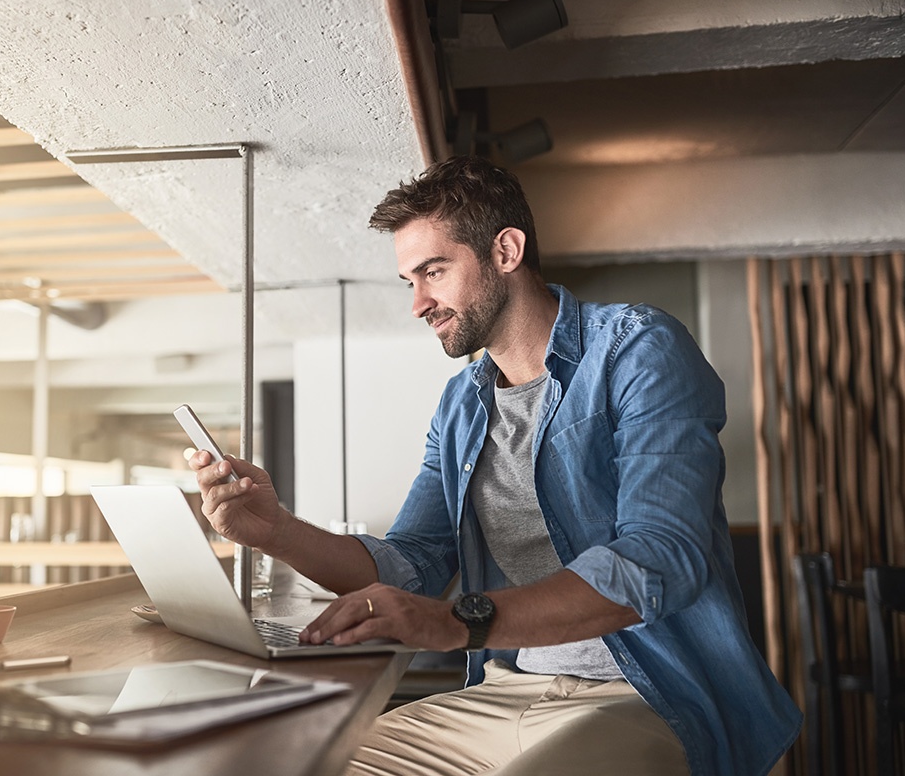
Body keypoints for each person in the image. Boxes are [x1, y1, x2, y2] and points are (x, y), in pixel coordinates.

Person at [190, 156, 801, 776]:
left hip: (647, 694)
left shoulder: (638, 349)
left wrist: (457, 621)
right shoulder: (462, 404)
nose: (418, 303)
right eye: (410, 280)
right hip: (504, 689)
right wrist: (277, 532)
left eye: (434, 271)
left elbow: (660, 555)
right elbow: (414, 566)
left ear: (506, 250)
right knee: (299, 764)